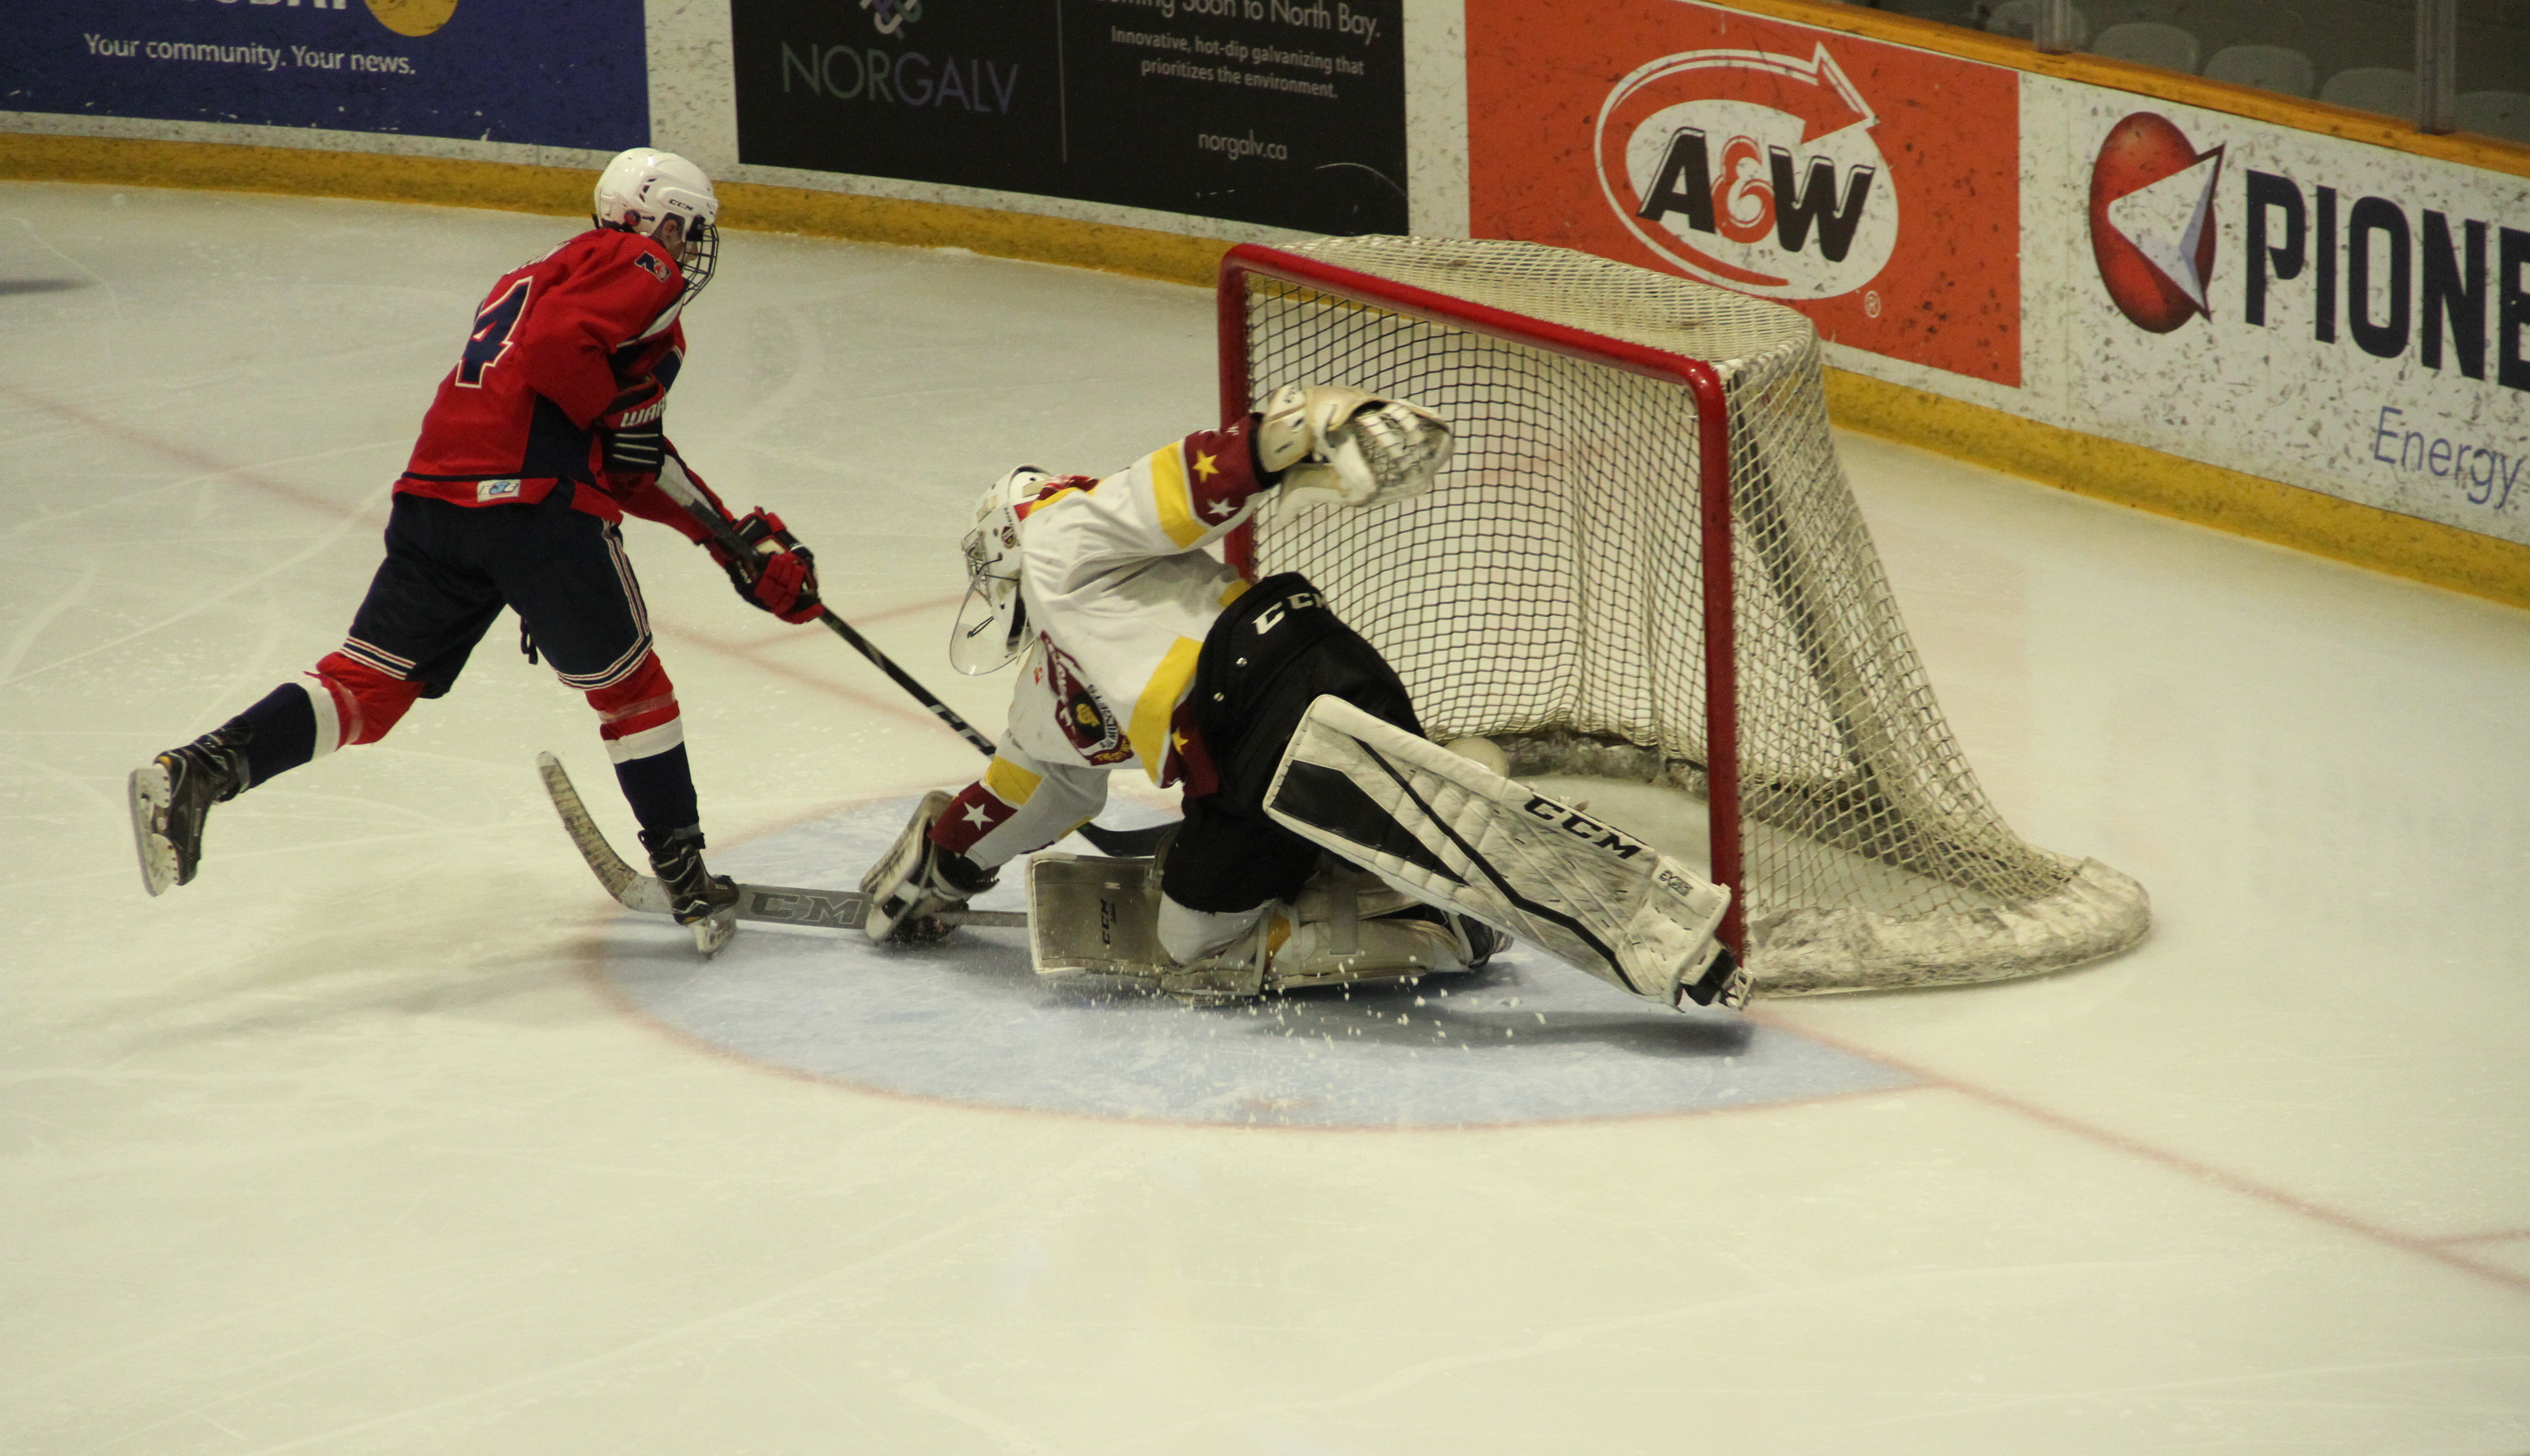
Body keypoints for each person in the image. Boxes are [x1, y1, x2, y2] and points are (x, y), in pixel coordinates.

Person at [856, 385, 1749, 1010]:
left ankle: (1442, 923)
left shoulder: (1056, 531)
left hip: (1259, 715)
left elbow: (1181, 484)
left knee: (1196, 951)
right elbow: (1031, 788)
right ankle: (1414, 818)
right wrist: (943, 866)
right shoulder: (1061, 670)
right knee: (1419, 836)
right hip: (1313, 667)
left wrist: (1304, 431)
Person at [128, 148, 821, 952]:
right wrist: (620, 420)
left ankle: (201, 772)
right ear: (654, 217)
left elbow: (628, 456)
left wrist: (730, 542)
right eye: (688, 229)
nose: (689, 251)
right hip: (532, 507)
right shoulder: (637, 262)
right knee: (634, 693)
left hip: (437, 500)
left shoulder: (537, 277)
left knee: (367, 688)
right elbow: (562, 362)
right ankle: (685, 872)